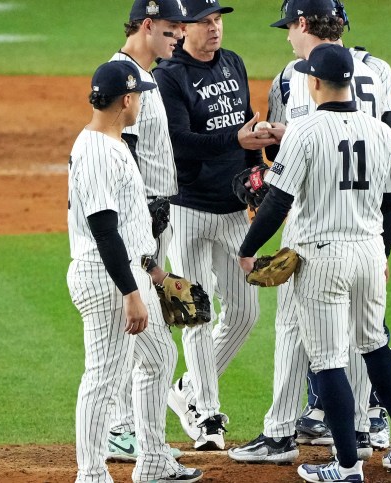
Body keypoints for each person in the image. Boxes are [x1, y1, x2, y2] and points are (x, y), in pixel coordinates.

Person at [227, 0, 391, 464]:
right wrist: (383, 245)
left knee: (296, 330)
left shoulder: (292, 75)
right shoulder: (379, 70)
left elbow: (279, 178)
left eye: (289, 26)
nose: (287, 35)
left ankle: (283, 433)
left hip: (311, 230)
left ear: (302, 23)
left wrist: (284, 141)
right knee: (368, 335)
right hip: (366, 230)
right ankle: (366, 426)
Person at [66, 60, 202, 483]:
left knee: (160, 357)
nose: (142, 101)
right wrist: (131, 293)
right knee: (104, 376)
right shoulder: (95, 151)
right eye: (139, 95)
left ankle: (154, 459)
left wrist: (156, 275)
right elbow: (105, 231)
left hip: (129, 271)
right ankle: (91, 474)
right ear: (126, 100)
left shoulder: (114, 143)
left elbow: (129, 226)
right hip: (106, 276)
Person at [152, 0, 278, 451]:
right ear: (182, 29)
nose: (214, 28)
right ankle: (206, 414)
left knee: (246, 312)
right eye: (204, 22)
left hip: (229, 209)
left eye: (218, 20)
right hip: (186, 207)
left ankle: (187, 388)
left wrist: (253, 173)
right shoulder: (168, 75)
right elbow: (179, 143)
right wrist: (236, 139)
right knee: (197, 310)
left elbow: (244, 127)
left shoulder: (233, 64)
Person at [106, 0, 194, 464]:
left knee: (144, 331)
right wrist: (144, 225)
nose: (179, 36)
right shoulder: (125, 78)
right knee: (137, 330)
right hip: (139, 225)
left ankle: (127, 431)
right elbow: (126, 158)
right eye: (170, 29)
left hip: (154, 222)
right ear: (146, 25)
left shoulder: (150, 75)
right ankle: (120, 431)